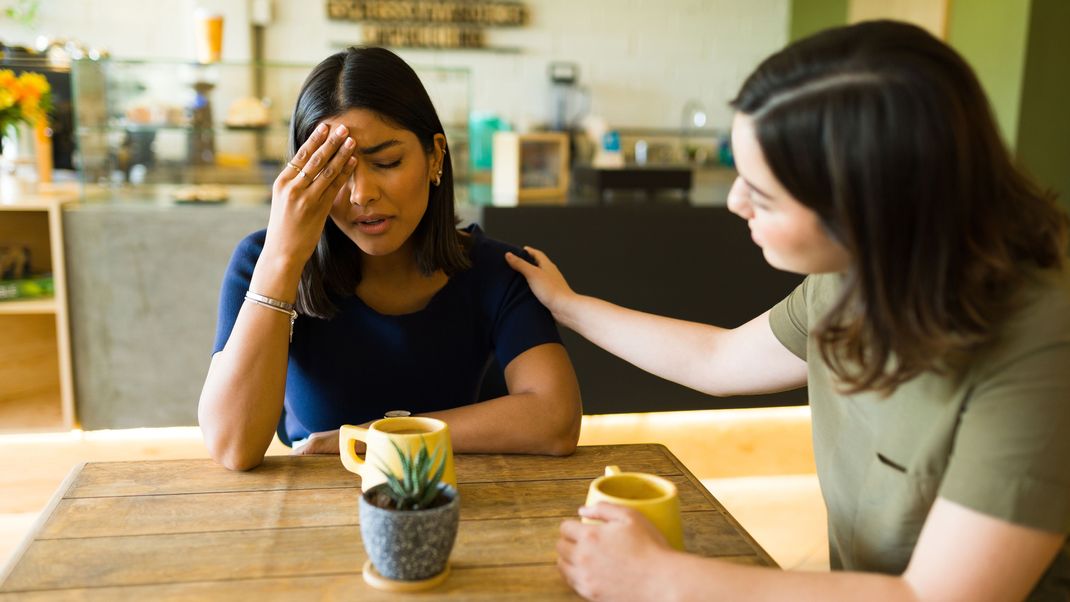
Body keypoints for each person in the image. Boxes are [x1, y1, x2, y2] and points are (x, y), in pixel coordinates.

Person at [505, 21, 1069, 601]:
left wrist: (660, 578)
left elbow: (937, 597)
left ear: (868, 210)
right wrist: (568, 306)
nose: (734, 201)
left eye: (762, 192)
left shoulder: (1042, 344)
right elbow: (718, 360)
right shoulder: (856, 277)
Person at [199, 47, 582, 472]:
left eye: (387, 162)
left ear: (435, 156)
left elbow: (556, 421)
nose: (362, 194)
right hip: (311, 513)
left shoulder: (496, 270)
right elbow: (233, 446)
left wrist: (373, 439)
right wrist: (284, 258)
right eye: (336, 171)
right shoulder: (262, 262)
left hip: (454, 502)